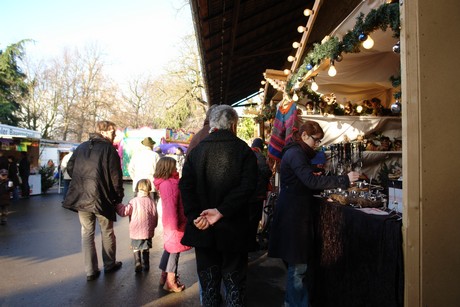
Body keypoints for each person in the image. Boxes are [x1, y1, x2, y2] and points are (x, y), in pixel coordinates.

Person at [268, 120, 360, 307]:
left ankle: (291, 302)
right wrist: (343, 179)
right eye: (315, 140)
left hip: (294, 214)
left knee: (297, 266)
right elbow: (310, 182)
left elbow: (304, 179)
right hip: (294, 216)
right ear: (303, 136)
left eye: (319, 141)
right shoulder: (296, 153)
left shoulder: (297, 152)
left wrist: (312, 174)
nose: (317, 144)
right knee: (298, 267)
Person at [179, 105, 258, 306]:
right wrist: (222, 211)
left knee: (209, 285)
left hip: (202, 229)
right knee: (234, 285)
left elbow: (185, 187)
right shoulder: (244, 151)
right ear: (233, 125)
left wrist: (196, 216)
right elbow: (248, 187)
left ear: (212, 124)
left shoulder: (196, 151)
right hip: (234, 230)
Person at [62, 120, 125, 281]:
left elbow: (70, 167)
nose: (114, 135)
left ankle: (91, 270)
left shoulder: (81, 147)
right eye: (112, 132)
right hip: (102, 198)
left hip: (81, 197)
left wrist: (80, 182)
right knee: (107, 231)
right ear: (103, 132)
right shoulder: (109, 149)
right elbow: (115, 177)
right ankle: (109, 264)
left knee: (87, 233)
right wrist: (118, 197)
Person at [153, 156, 191, 292]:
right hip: (175, 224)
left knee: (169, 249)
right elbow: (171, 208)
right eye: (174, 167)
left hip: (172, 223)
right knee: (174, 251)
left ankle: (164, 277)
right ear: (169, 168)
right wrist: (175, 226)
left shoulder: (165, 183)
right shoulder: (171, 184)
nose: (176, 169)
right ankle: (171, 281)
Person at [116, 179, 158, 273]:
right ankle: (146, 264)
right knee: (146, 248)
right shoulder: (151, 201)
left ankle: (137, 262)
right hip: (147, 231)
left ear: (138, 188)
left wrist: (118, 205)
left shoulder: (133, 201)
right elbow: (155, 215)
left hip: (136, 231)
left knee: (136, 247)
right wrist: (154, 226)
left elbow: (124, 212)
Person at [248, 137, 272, 252]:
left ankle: (249, 243)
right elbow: (266, 172)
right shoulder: (259, 156)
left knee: (249, 219)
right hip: (257, 193)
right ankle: (252, 244)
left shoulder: (247, 153)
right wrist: (270, 170)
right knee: (254, 219)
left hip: (248, 194)